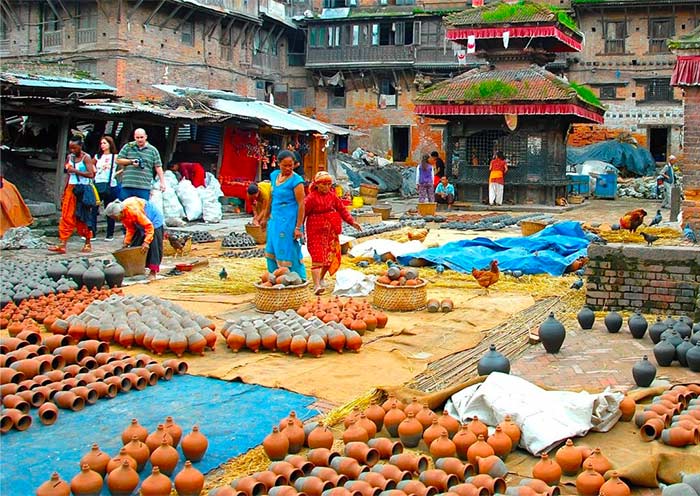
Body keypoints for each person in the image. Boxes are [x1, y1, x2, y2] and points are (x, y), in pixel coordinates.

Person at [304, 171, 362, 295]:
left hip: (331, 231)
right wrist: (298, 228)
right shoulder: (311, 198)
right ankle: (316, 285)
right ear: (317, 185)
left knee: (329, 257)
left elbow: (342, 209)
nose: (326, 187)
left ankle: (321, 277)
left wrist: (352, 222)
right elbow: (303, 214)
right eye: (323, 184)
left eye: (328, 184)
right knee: (317, 256)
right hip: (315, 230)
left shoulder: (332, 196)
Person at [261, 150, 307, 279]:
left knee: (289, 249)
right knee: (272, 247)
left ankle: (297, 278)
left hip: (289, 221)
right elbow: (271, 197)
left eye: (290, 165)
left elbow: (301, 204)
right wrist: (265, 217)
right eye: (285, 165)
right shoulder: (274, 176)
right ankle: (275, 278)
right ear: (278, 163)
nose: (288, 168)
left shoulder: (297, 181)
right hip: (275, 220)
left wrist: (298, 227)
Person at [48, 136, 96, 254]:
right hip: (71, 188)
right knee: (66, 215)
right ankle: (62, 243)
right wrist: (64, 191)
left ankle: (88, 242)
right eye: (70, 148)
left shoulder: (86, 158)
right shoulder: (69, 157)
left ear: (80, 146)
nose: (72, 150)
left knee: (83, 216)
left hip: (83, 189)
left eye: (74, 148)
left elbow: (91, 174)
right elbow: (68, 175)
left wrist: (76, 171)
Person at [104, 198, 165, 281]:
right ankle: (138, 269)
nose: (114, 219)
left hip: (153, 220)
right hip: (141, 221)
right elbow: (130, 229)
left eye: (114, 217)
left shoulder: (133, 211)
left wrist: (146, 242)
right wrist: (126, 242)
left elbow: (149, 226)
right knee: (135, 244)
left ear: (120, 213)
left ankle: (153, 272)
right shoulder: (123, 215)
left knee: (154, 246)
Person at [116, 128, 166, 200]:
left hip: (143, 186)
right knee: (125, 207)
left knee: (142, 208)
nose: (139, 140)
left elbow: (158, 166)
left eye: (141, 137)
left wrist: (162, 182)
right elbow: (118, 160)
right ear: (134, 137)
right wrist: (131, 162)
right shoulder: (128, 146)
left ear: (146, 137)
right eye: (137, 137)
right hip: (128, 184)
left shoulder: (153, 150)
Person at [92, 135, 121, 241]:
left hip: (110, 185)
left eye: (105, 143)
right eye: (101, 143)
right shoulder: (97, 156)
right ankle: (93, 232)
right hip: (98, 183)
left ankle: (110, 233)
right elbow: (91, 165)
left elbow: (124, 166)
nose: (103, 145)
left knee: (110, 209)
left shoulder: (116, 157)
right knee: (94, 209)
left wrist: (115, 174)